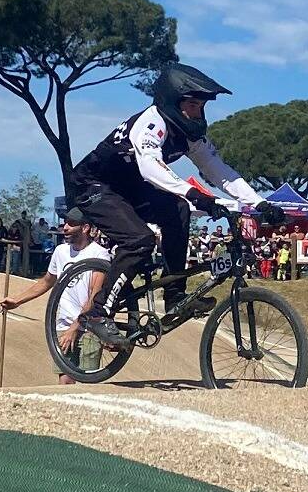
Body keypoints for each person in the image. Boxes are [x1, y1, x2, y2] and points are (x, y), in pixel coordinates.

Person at [68, 63, 279, 345]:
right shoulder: (151, 124)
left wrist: (259, 202)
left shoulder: (189, 136)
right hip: (94, 185)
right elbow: (151, 168)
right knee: (139, 240)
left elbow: (218, 169)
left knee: (178, 211)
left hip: (131, 188)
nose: (198, 113)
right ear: (173, 102)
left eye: (202, 107)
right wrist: (193, 193)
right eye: (193, 105)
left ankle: (174, 296)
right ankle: (97, 313)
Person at [0, 208, 111, 383]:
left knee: (87, 386)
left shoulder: (99, 254)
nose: (65, 227)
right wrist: (17, 301)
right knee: (64, 382)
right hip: (62, 327)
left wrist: (76, 327)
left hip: (88, 328)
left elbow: (94, 296)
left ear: (85, 228)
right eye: (65, 223)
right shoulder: (60, 252)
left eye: (71, 224)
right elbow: (47, 281)